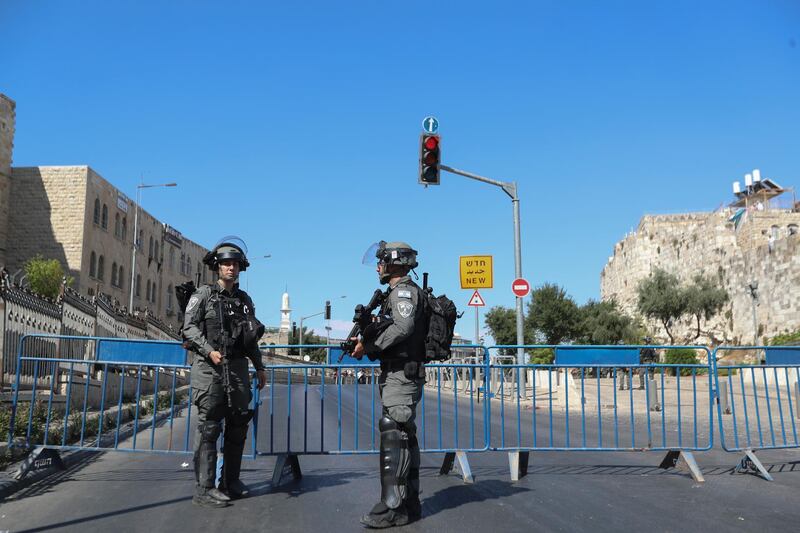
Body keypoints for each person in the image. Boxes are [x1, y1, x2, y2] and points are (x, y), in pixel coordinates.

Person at [183, 236, 267, 508]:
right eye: (226, 264)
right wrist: (208, 350)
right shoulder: (203, 295)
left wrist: (260, 366)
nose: (231, 268)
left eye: (235, 264)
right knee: (209, 427)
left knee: (238, 425)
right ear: (217, 267)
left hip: (239, 368)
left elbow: (250, 337)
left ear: (241, 268)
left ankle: (230, 481)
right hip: (210, 369)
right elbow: (189, 328)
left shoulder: (244, 300)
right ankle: (204, 488)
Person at [352, 241, 426, 528]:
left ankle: (393, 506)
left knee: (394, 433)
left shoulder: (404, 292)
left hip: (402, 375)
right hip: (399, 372)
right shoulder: (394, 294)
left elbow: (404, 327)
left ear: (395, 263)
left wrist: (369, 345)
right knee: (404, 434)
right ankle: (410, 502)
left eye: (381, 261)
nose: (378, 267)